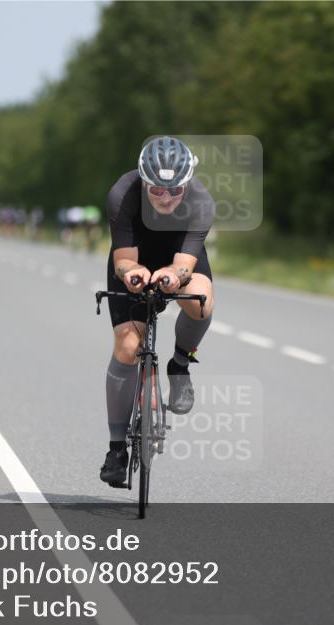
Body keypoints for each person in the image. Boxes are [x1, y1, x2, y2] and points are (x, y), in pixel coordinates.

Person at [99, 136, 216, 486]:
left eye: (174, 191)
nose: (165, 198)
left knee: (201, 300)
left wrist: (173, 275)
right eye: (156, 190)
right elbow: (123, 260)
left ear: (187, 183)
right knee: (128, 347)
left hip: (178, 259)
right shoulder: (122, 193)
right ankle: (117, 449)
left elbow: (185, 263)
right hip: (133, 258)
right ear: (143, 180)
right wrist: (130, 273)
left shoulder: (201, 201)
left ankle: (179, 364)